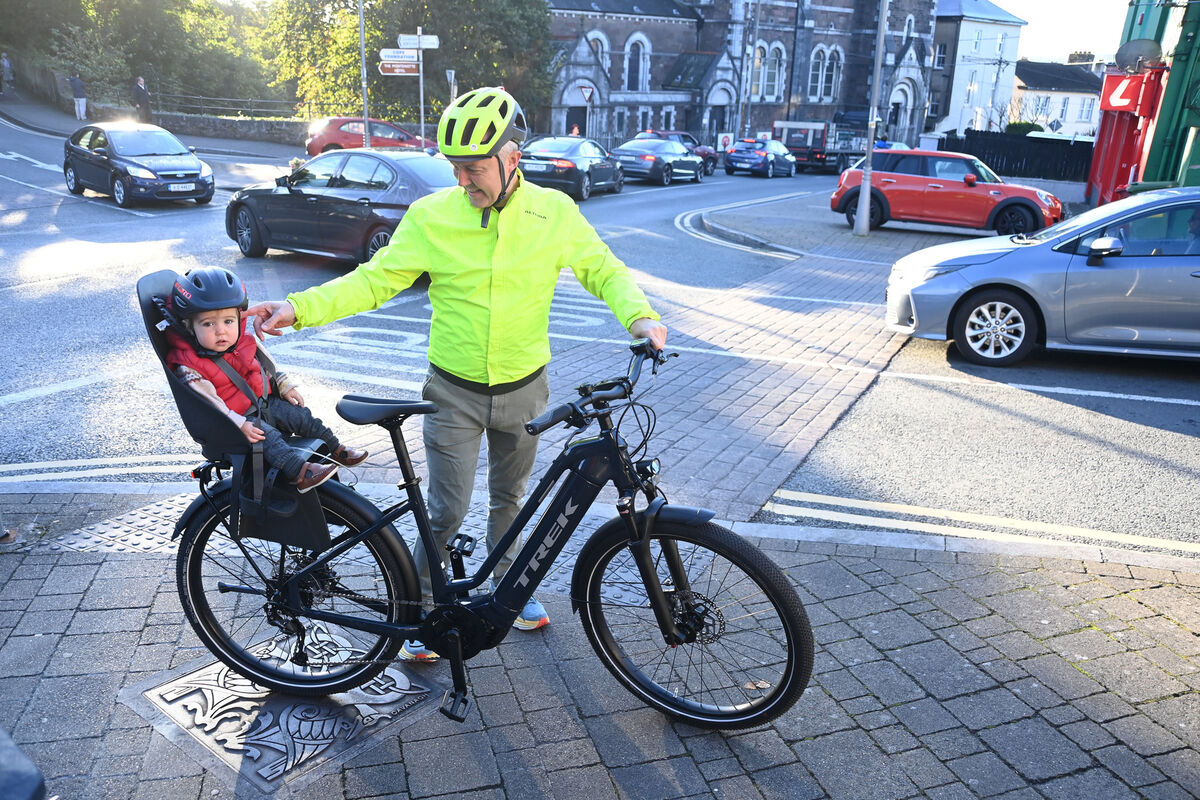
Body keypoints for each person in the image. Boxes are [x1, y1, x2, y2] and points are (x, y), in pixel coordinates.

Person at [247, 85, 668, 662]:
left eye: (474, 169)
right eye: (455, 168)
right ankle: (417, 607)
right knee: (445, 510)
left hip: (526, 388)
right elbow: (374, 280)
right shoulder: (432, 216)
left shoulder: (554, 212)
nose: (463, 181)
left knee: (511, 499)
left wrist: (640, 317)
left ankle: (510, 593)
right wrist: (299, 308)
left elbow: (603, 269)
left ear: (512, 158)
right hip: (453, 392)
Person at [162, 267, 368, 493]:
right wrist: (239, 424)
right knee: (268, 438)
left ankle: (336, 448)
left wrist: (284, 385)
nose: (221, 331)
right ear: (189, 327)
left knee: (300, 415)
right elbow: (209, 404)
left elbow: (266, 367)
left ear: (239, 319)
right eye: (208, 324)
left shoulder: (243, 341)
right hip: (235, 421)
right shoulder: (189, 365)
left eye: (228, 321)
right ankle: (300, 473)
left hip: (262, 404)